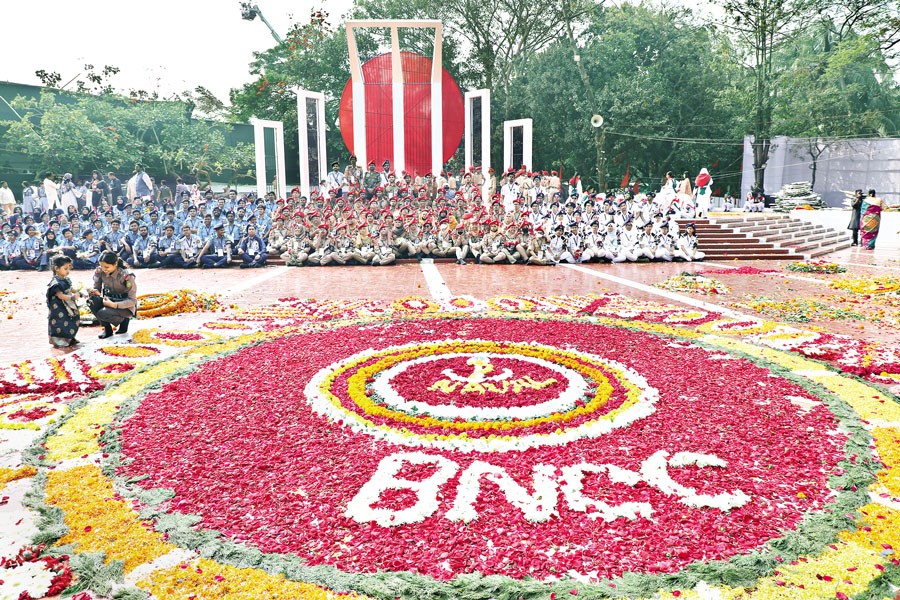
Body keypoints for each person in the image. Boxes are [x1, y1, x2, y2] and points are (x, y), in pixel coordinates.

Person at [89, 251, 137, 339]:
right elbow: (97, 287)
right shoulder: (100, 271)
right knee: (91, 300)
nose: (104, 269)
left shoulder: (126, 275)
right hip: (108, 301)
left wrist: (115, 305)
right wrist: (95, 292)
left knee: (102, 313)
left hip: (125, 305)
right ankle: (107, 330)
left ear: (115, 264)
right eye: (101, 266)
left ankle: (124, 320)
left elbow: (132, 300)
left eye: (107, 267)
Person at [47, 255, 84, 347]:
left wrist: (80, 292)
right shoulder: (55, 283)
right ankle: (60, 341)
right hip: (59, 307)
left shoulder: (65, 279)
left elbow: (70, 289)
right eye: (65, 268)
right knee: (61, 322)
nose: (68, 271)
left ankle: (70, 337)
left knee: (73, 319)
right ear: (57, 268)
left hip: (68, 304)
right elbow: (60, 295)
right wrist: (72, 297)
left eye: (69, 268)